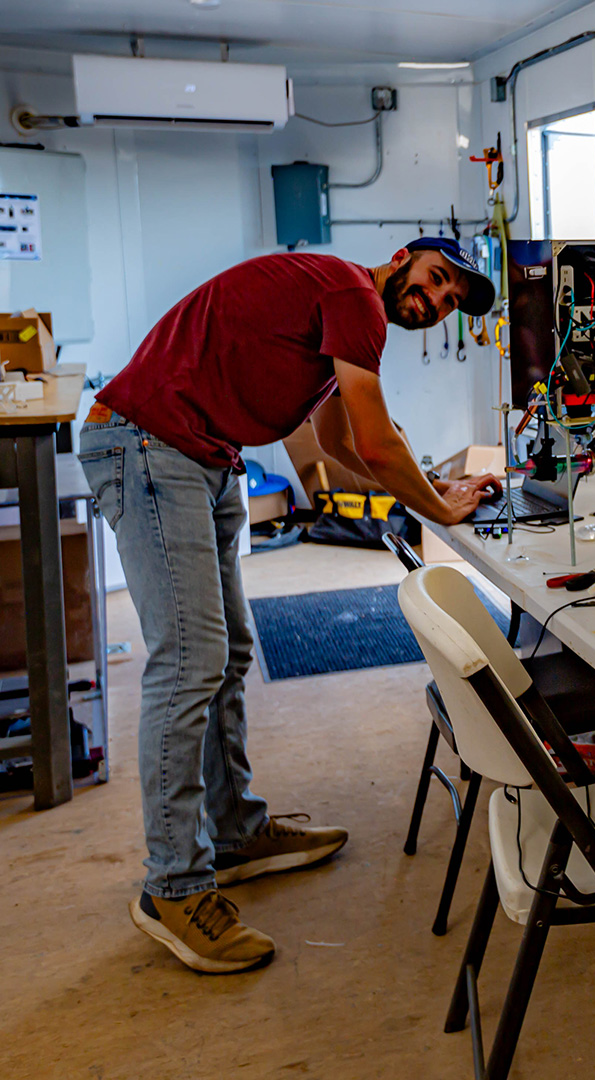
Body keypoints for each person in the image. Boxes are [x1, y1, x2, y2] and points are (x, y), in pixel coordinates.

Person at [78, 237, 498, 974]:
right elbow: (373, 440)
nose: (435, 302)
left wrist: (424, 483)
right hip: (150, 445)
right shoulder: (354, 297)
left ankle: (234, 831)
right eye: (437, 281)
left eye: (450, 302)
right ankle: (172, 887)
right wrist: (439, 506)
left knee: (229, 651)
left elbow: (343, 441)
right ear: (402, 258)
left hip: (199, 457)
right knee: (189, 663)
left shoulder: (342, 312)